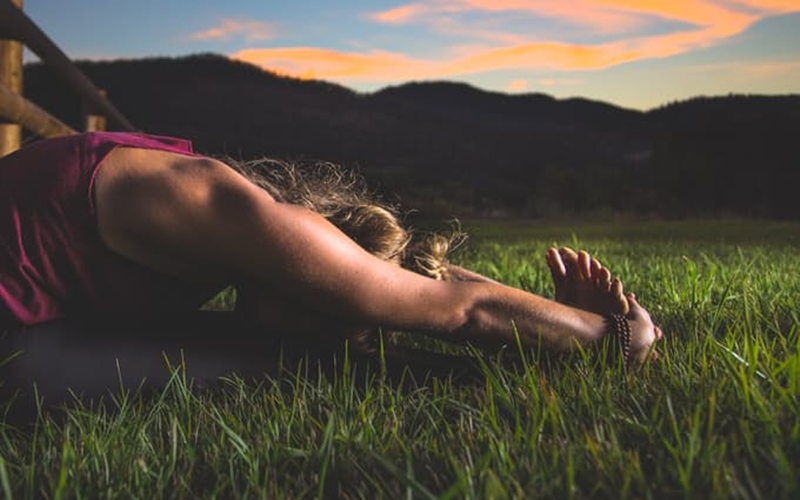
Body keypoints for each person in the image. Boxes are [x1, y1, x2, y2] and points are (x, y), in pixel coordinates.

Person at [0, 132, 662, 406]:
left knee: (290, 357)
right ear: (324, 264)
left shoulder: (223, 223)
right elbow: (461, 311)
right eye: (343, 314)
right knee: (284, 363)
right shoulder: (244, 215)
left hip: (30, 324)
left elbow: (430, 292)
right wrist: (618, 336)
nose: (329, 325)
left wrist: (551, 314)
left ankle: (520, 356)